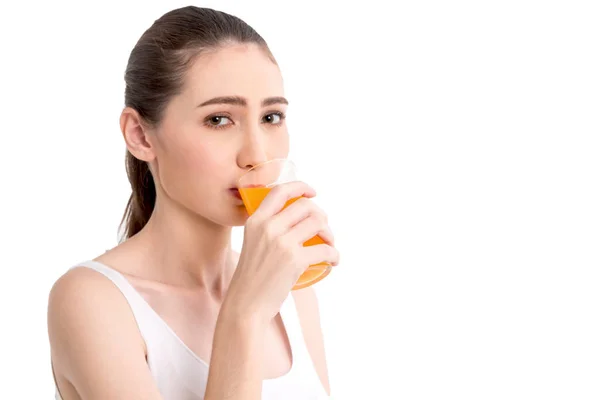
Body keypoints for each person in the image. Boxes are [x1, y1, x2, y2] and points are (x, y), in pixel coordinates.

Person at [46, 6, 340, 400]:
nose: (256, 154)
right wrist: (245, 315)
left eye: (271, 117)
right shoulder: (92, 301)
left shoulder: (293, 289)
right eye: (219, 119)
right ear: (141, 136)